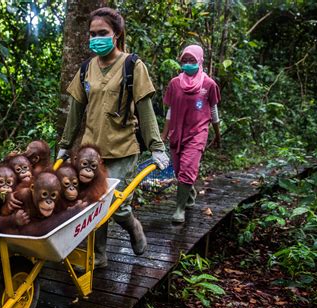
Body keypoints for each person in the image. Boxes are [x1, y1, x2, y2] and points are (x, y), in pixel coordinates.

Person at [57, 7, 169, 268]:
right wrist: (64, 146)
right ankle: (98, 255)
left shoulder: (132, 66)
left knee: (116, 206)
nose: (96, 38)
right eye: (92, 34)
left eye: (102, 33)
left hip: (122, 149)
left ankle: (134, 228)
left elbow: (145, 109)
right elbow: (75, 112)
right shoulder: (86, 69)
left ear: (116, 34)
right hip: (90, 153)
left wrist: (156, 147)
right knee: (92, 205)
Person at [161, 44, 221, 224]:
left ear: (200, 61)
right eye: (184, 60)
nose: (187, 64)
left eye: (192, 60)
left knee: (187, 168)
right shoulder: (174, 84)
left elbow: (213, 110)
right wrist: (163, 136)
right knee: (180, 170)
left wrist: (217, 134)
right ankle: (189, 191)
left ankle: (179, 209)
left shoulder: (208, 84)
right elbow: (170, 111)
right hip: (177, 132)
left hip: (198, 133)